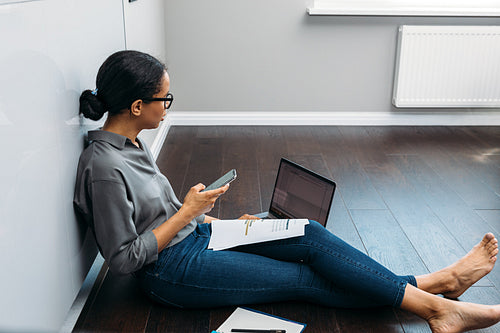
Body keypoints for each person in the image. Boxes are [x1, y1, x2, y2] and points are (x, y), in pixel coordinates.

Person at [74, 50, 500, 333]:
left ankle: (440, 283)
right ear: (136, 107)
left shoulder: (130, 142)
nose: (168, 106)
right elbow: (123, 259)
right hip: (170, 272)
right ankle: (436, 305)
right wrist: (187, 215)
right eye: (164, 99)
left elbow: (167, 210)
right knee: (304, 277)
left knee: (308, 233)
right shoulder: (105, 168)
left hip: (199, 236)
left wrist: (216, 222)